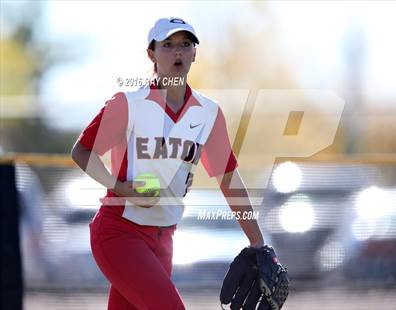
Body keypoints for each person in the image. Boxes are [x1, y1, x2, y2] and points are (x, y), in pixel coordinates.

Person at [71, 17, 265, 310]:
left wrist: (259, 244)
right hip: (119, 233)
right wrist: (120, 187)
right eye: (168, 45)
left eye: (186, 44)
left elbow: (229, 180)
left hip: (163, 241)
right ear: (152, 53)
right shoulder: (129, 103)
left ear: (195, 53)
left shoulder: (209, 113)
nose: (178, 52)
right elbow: (82, 151)